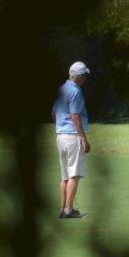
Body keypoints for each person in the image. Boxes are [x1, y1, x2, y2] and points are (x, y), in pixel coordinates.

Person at [52, 61, 91, 218]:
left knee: (65, 176)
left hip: (60, 136)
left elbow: (53, 113)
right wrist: (83, 138)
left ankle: (63, 209)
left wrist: (61, 126)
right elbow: (75, 116)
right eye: (85, 75)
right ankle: (69, 210)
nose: (86, 79)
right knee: (74, 175)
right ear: (80, 76)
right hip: (72, 137)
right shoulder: (75, 92)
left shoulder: (60, 89)